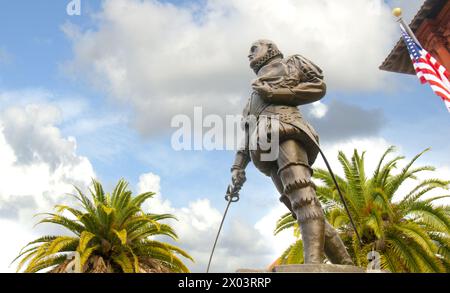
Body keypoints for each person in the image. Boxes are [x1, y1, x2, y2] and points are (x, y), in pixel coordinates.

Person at [229, 40, 353, 265]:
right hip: (264, 149)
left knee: (303, 196)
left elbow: (318, 86)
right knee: (298, 206)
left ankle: (313, 264)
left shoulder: (290, 63)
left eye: (254, 48)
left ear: (271, 49)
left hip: (287, 132)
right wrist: (238, 166)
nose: (249, 54)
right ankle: (345, 263)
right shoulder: (250, 100)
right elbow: (247, 135)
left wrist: (277, 93)